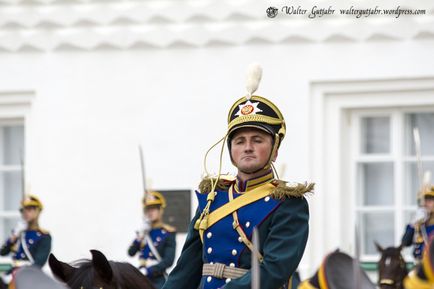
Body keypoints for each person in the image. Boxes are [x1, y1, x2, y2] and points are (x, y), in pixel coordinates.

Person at [161, 64, 313, 289]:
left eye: (258, 140)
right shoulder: (212, 198)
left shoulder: (288, 204)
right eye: (240, 141)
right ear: (231, 150)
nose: (248, 147)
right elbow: (186, 269)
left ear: (275, 149)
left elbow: (274, 270)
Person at [128, 191, 177, 289]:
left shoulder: (168, 233)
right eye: (148, 209)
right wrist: (141, 234)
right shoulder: (144, 232)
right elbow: (131, 252)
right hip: (140, 277)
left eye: (153, 209)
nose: (150, 212)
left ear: (160, 211)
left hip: (157, 280)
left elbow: (168, 260)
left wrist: (149, 270)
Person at [0, 195, 52, 287]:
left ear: (38, 211)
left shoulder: (44, 236)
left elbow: (39, 263)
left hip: (28, 276)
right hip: (12, 274)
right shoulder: (19, 233)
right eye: (23, 210)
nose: (26, 213)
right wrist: (13, 237)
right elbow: (3, 252)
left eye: (30, 209)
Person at [402, 184, 434, 262]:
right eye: (422, 201)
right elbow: (405, 243)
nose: (425, 204)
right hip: (419, 266)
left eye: (429, 201)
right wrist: (413, 223)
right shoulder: (417, 224)